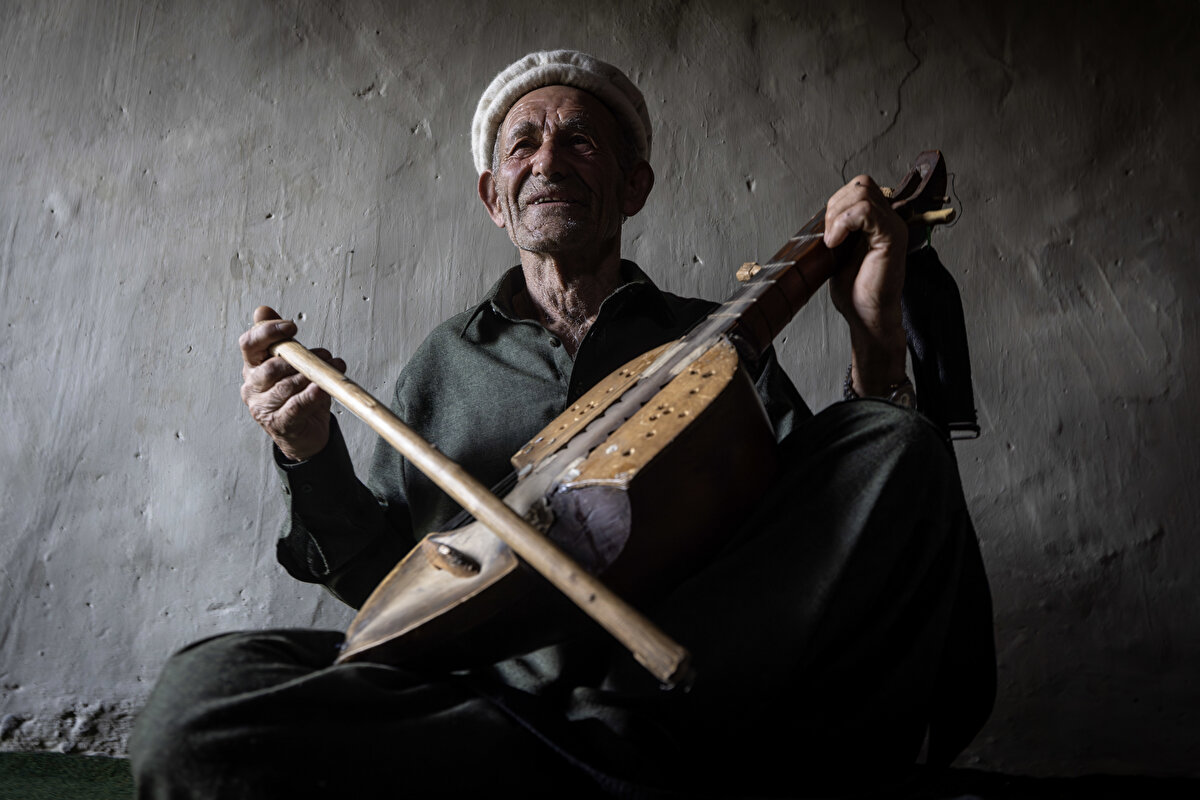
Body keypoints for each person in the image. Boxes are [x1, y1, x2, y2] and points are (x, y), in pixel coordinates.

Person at [130, 50, 994, 798]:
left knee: (898, 442)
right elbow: (380, 582)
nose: (548, 160)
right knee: (202, 703)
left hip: (693, 681)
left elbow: (836, 536)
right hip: (496, 703)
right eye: (523, 145)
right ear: (493, 197)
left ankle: (623, 752)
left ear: (633, 185)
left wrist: (876, 338)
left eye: (580, 140)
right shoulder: (444, 362)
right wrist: (308, 452)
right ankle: (616, 771)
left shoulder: (713, 343)